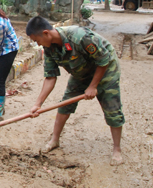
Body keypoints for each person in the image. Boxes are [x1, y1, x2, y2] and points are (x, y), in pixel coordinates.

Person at [26, 16, 124, 165]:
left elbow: (104, 60)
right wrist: (38, 104)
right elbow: (50, 78)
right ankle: (54, 140)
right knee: (65, 104)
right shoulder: (49, 48)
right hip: (81, 72)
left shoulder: (80, 37)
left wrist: (93, 86)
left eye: (36, 40)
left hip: (106, 70)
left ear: (45, 33)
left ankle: (117, 150)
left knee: (112, 109)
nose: (37, 44)